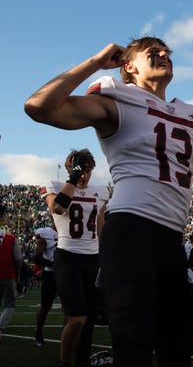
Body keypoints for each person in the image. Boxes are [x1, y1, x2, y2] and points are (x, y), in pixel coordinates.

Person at [25, 35, 193, 367]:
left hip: (171, 239)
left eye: (167, 52)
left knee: (178, 342)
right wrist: (95, 61)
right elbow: (38, 107)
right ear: (129, 66)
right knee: (133, 338)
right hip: (129, 230)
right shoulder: (117, 98)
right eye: (153, 52)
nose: (164, 54)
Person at [40, 149, 108, 367]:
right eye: (81, 170)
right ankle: (64, 362)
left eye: (88, 170)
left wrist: (106, 257)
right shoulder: (56, 186)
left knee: (87, 323)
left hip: (93, 259)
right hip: (67, 257)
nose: (85, 175)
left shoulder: (100, 191)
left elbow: (100, 228)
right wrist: (72, 176)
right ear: (72, 169)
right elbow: (58, 207)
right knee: (77, 318)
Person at [33, 224, 58, 346]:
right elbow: (37, 258)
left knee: (70, 308)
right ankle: (39, 330)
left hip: (66, 274)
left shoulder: (70, 231)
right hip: (51, 275)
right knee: (45, 307)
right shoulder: (46, 233)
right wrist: (55, 265)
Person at [0, 207, 22, 343]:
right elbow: (18, 259)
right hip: (7, 274)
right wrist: (18, 272)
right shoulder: (10, 238)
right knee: (9, 304)